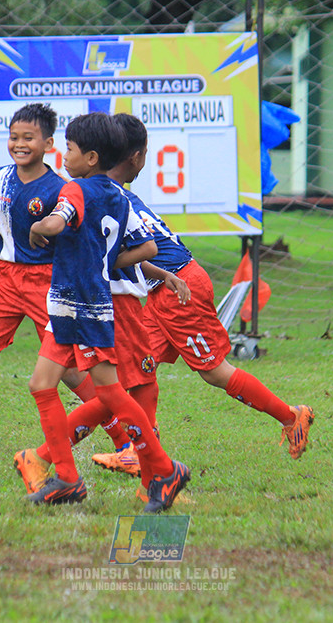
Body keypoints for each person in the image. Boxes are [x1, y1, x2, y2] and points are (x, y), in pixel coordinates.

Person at [90, 113, 314, 478]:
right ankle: (141, 451)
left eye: (70, 150)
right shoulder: (113, 193)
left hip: (178, 288)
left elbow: (135, 253)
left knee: (213, 372)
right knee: (138, 372)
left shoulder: (106, 196)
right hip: (165, 288)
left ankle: (292, 417)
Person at [18, 112, 190, 512]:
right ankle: (67, 477)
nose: (64, 154)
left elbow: (58, 222)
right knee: (42, 384)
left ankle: (164, 469)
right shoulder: (117, 195)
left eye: (71, 149)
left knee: (112, 392)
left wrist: (38, 227)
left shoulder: (75, 191)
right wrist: (101, 257)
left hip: (83, 306)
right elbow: (140, 246)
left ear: (91, 157)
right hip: (74, 302)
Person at [0, 103, 119, 471]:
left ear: (48, 143)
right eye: (14, 137)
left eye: (29, 138)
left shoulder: (62, 187)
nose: (20, 144)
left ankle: (124, 441)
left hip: (48, 281)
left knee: (73, 372)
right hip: (3, 280)